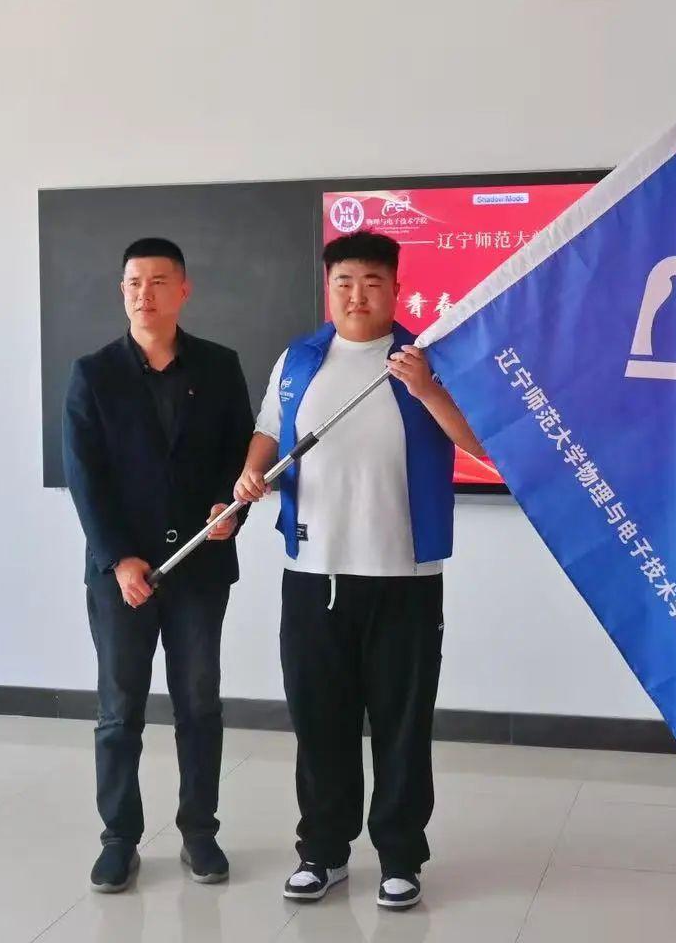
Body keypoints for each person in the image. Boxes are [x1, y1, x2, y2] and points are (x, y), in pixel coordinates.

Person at [236, 231, 482, 913]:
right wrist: (252, 472)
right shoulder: (299, 360)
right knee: (320, 722)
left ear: (396, 289)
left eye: (372, 282)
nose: (356, 295)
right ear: (329, 287)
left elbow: (476, 441)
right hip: (314, 573)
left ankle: (401, 857)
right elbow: (268, 429)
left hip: (404, 575)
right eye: (344, 281)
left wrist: (426, 390)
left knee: (401, 725)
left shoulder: (425, 359)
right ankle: (323, 851)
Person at [62, 238, 255, 894]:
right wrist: (118, 558)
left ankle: (200, 832)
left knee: (199, 705)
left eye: (158, 281)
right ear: (123, 291)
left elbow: (239, 459)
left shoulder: (220, 367)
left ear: (184, 289)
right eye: (133, 282)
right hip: (123, 577)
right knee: (120, 710)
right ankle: (119, 839)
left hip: (200, 568)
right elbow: (85, 478)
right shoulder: (93, 374)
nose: (144, 293)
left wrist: (231, 512)